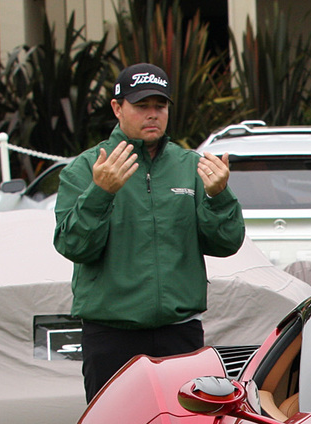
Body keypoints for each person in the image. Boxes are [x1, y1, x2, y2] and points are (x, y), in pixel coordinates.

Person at [53, 62, 245, 400]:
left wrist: (219, 195)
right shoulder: (87, 169)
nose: (152, 114)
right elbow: (73, 245)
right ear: (117, 108)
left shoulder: (191, 166)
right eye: (141, 106)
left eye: (160, 105)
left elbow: (227, 242)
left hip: (179, 334)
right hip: (111, 335)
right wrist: (101, 192)